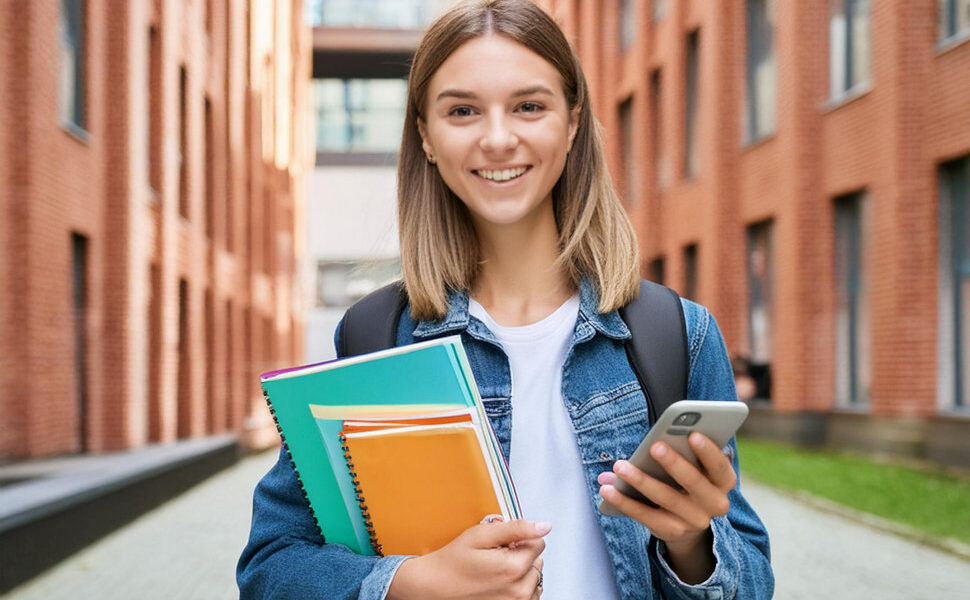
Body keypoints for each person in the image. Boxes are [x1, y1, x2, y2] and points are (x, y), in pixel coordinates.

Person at [237, 1, 773, 598]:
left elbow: (751, 581)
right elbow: (271, 565)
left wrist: (692, 544)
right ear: (426, 136)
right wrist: (411, 582)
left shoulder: (677, 333)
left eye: (529, 106)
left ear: (572, 123)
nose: (498, 138)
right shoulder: (376, 334)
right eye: (463, 110)